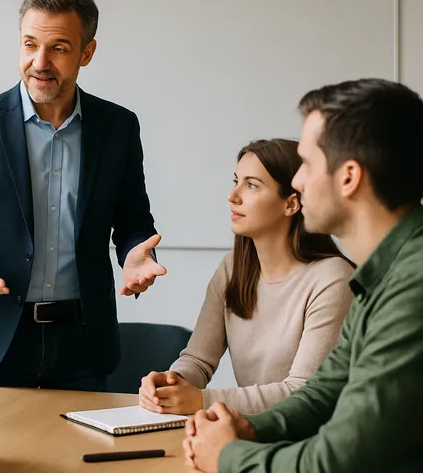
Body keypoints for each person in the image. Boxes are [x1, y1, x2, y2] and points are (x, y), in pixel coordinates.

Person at [0, 0, 165, 391]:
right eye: (30, 44)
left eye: (59, 48)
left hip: (83, 343)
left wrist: (137, 253)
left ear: (87, 52)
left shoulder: (117, 127)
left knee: (78, 455)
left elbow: (134, 220)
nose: (40, 62)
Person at [184, 78, 423, 472]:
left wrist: (227, 456)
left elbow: (335, 460)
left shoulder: (411, 286)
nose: (296, 181)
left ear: (348, 177)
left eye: (307, 164)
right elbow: (323, 393)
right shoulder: (382, 275)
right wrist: (247, 429)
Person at [139, 139, 354, 416]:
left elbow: (304, 391)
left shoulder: (333, 279)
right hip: (252, 432)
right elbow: (198, 360)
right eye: (236, 180)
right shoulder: (232, 267)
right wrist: (172, 383)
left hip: (311, 442)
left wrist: (202, 402)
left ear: (291, 203)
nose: (233, 195)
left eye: (252, 185)